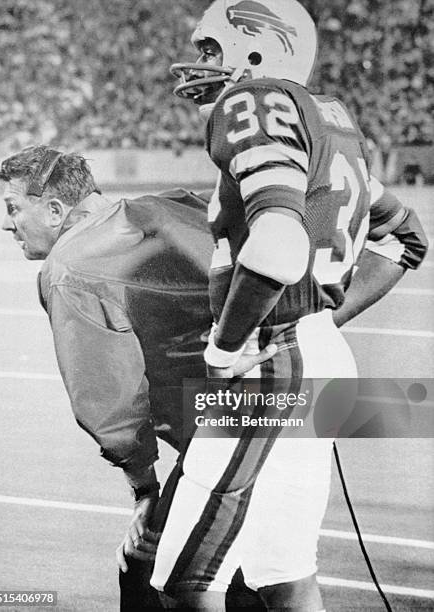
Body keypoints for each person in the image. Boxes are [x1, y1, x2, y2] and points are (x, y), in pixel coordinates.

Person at [151, 1, 429, 610]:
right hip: (317, 353)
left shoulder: (250, 103)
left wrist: (229, 345)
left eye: (211, 48)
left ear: (259, 50)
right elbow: (408, 238)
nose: (201, 64)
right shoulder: (329, 120)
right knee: (285, 574)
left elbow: (278, 248)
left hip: (269, 360)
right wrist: (322, 317)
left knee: (186, 583)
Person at [0, 144, 277, 611]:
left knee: (152, 576)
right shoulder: (175, 203)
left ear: (53, 209)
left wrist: (145, 489)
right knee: (271, 576)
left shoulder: (70, 267)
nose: (7, 224)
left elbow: (110, 401)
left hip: (224, 432)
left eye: (13, 209)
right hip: (296, 396)